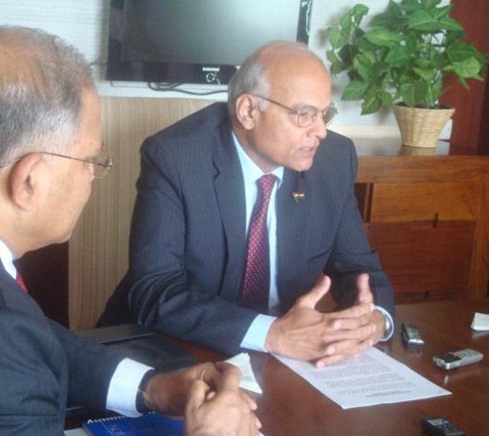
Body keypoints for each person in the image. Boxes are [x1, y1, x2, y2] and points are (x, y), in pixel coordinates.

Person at [0, 26, 260, 435]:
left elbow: (29, 336)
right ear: (29, 181)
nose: (93, 175)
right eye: (90, 160)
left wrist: (151, 387)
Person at [98, 40, 396, 367]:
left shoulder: (334, 159)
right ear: (249, 111)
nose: (321, 131)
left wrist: (374, 320)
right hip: (173, 348)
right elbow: (155, 290)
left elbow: (357, 267)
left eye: (325, 113)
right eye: (304, 114)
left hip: (283, 359)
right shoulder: (175, 157)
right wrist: (272, 334)